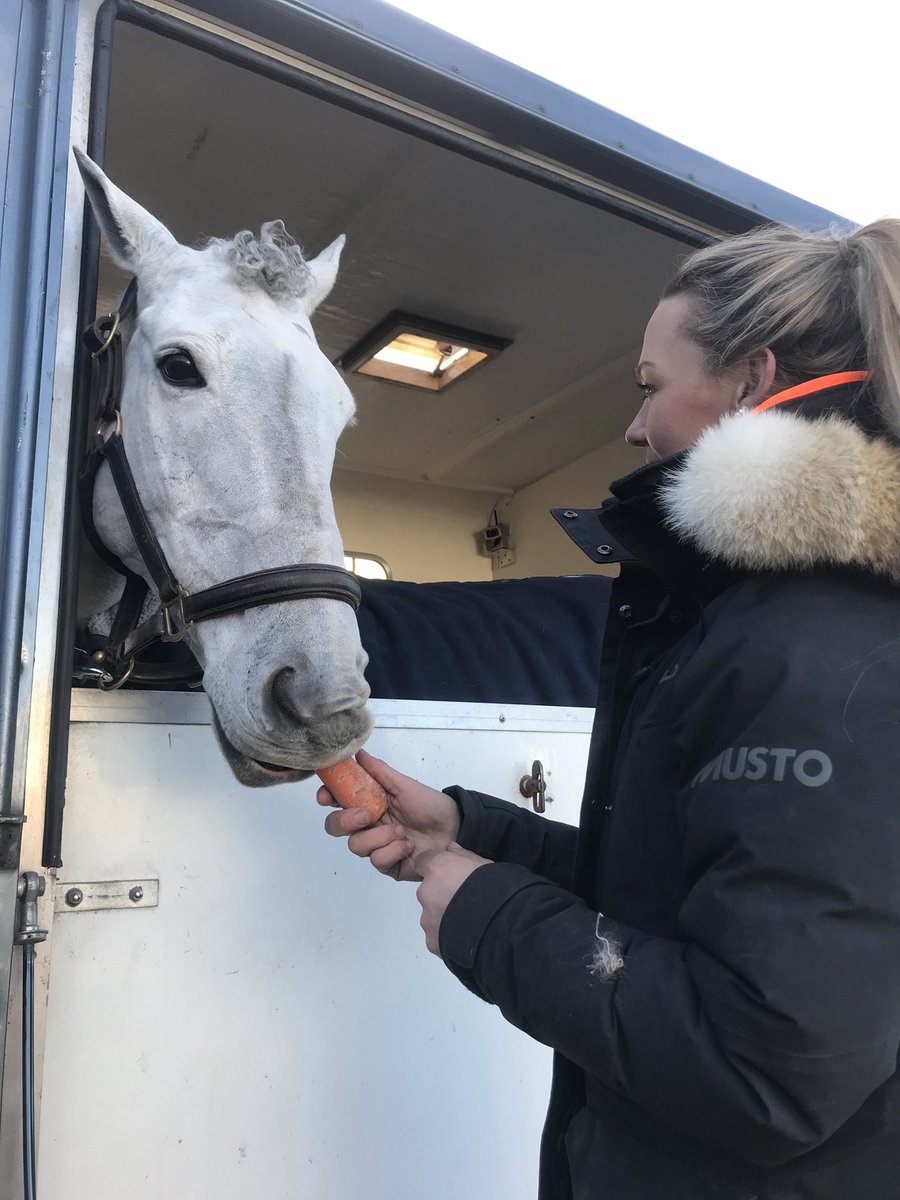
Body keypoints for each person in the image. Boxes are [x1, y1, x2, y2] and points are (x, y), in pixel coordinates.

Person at [318, 220, 900, 1200]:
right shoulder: (755, 622)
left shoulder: (815, 647)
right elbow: (685, 900)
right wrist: (474, 835)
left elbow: (762, 1068)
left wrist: (487, 913)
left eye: (649, 385)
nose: (634, 429)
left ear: (754, 382)